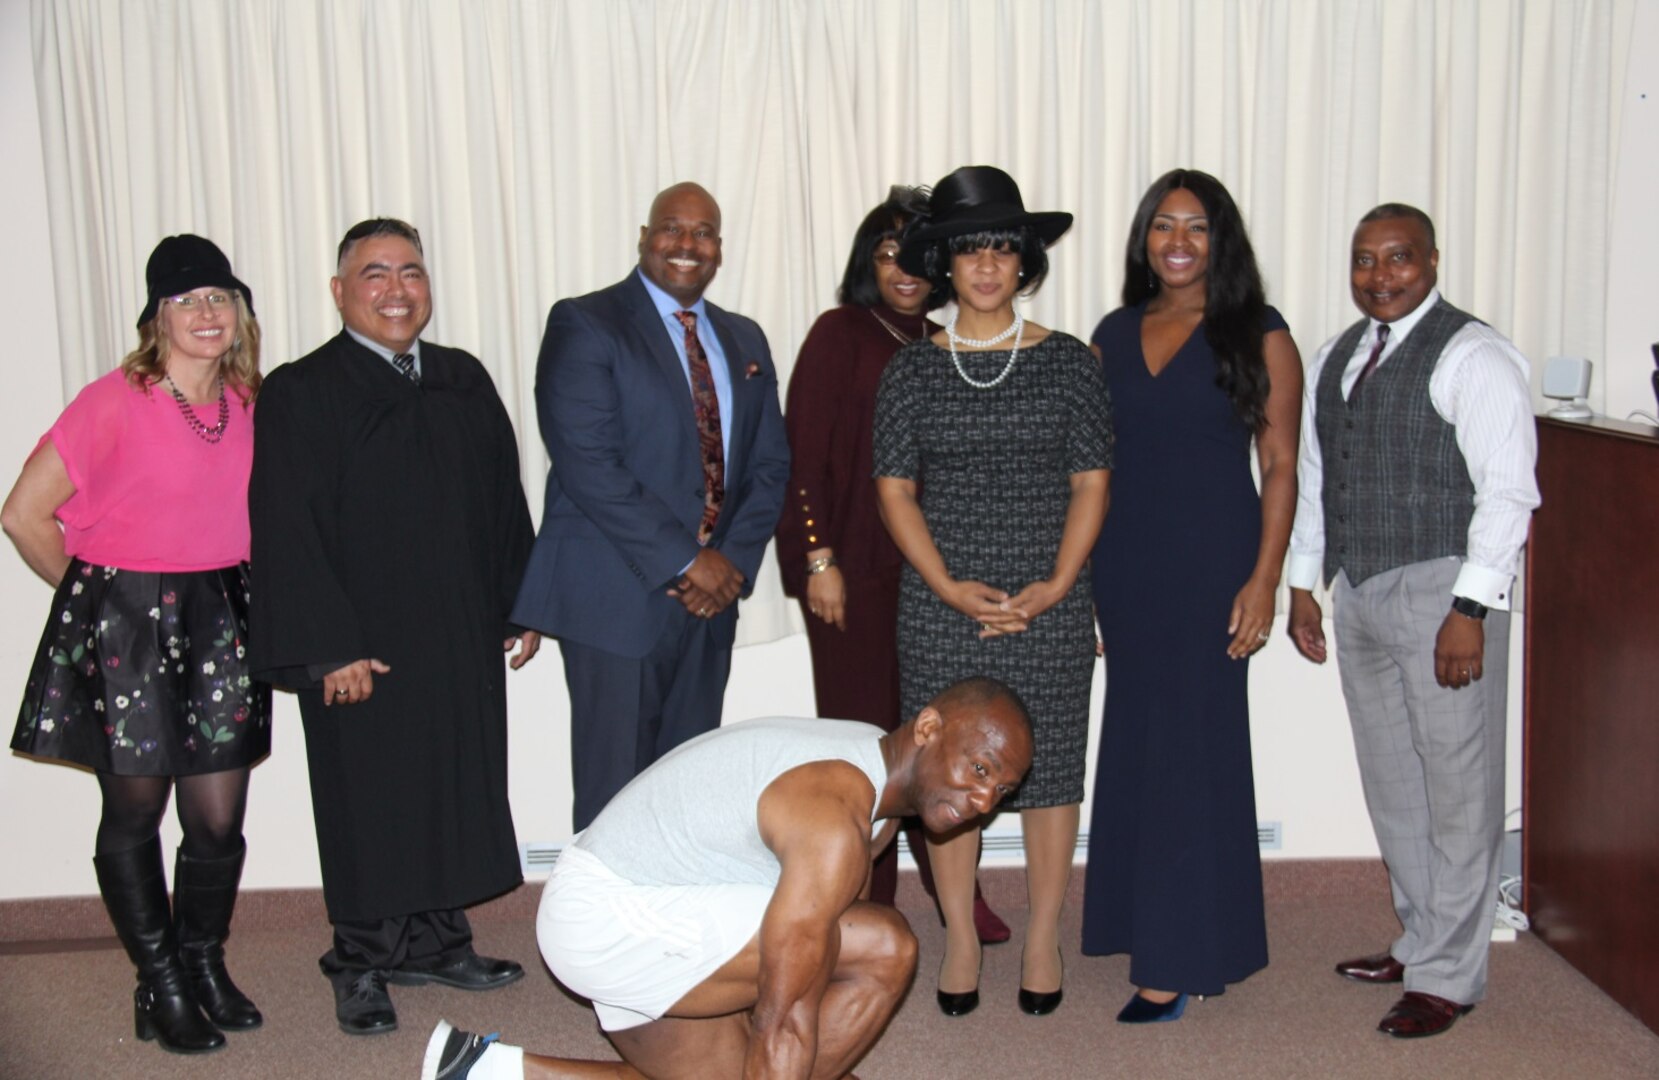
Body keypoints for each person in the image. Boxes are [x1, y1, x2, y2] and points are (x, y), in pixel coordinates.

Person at [419, 676, 1034, 1080]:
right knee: (886, 946)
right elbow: (786, 1014)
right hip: (611, 913)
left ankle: (480, 1070)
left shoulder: (872, 764)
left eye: (1001, 789)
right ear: (928, 729)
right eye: (979, 768)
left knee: (744, 1069)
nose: (984, 800)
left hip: (643, 907)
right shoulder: (836, 814)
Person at [247, 218, 539, 1036]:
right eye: (374, 274)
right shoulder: (304, 390)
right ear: (340, 293)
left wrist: (518, 600)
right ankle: (363, 957)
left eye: (411, 272)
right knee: (368, 798)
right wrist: (326, 645)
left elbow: (501, 497)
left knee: (452, 780)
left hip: (454, 632)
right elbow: (286, 524)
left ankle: (440, 941)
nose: (397, 289)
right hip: (360, 645)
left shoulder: (460, 377)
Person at [3, 235, 270, 1055]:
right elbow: (22, 514)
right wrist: (96, 608)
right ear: (156, 319)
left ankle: (200, 962)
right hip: (130, 615)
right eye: (186, 301)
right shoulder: (113, 399)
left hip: (221, 610)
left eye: (219, 298)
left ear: (239, 314)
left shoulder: (248, 400)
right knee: (137, 808)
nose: (206, 313)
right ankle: (157, 982)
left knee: (218, 819)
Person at [1286, 204, 1539, 1039]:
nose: (1379, 276)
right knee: (1393, 780)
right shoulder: (1335, 356)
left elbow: (1507, 493)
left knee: (1459, 791)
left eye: (1397, 258)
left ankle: (1450, 977)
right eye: (1364, 261)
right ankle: (1422, 938)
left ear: (1430, 259)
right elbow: (1318, 482)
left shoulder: (1474, 354)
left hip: (1443, 594)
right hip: (1358, 590)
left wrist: (1470, 609)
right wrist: (1301, 586)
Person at [874, 165, 1113, 1017]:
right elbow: (895, 490)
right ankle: (963, 938)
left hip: (1047, 602)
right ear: (945, 265)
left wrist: (1054, 586)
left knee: (1046, 771)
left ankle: (1043, 933)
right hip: (944, 607)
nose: (985, 267)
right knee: (948, 776)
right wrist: (943, 583)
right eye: (969, 251)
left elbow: (1090, 482)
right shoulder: (910, 372)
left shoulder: (1070, 364)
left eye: (1001, 251)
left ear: (1024, 263)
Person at [1081, 169, 1303, 1023]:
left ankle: (1178, 959)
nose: (1178, 240)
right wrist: (1084, 581)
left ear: (1221, 239)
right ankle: (1144, 923)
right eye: (1163, 225)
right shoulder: (1111, 329)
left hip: (1215, 563)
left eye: (1197, 226)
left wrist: (1263, 579)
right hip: (1128, 565)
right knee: (1138, 741)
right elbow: (1091, 464)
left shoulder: (1260, 333)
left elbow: (1280, 466)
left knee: (1193, 750)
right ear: (1143, 238)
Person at [511, 182, 790, 832]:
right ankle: (602, 932)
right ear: (643, 237)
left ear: (719, 248)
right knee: (615, 792)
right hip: (615, 599)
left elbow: (770, 466)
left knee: (686, 784)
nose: (687, 245)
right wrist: (688, 561)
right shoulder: (585, 322)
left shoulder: (743, 337)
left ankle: (672, 926)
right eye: (672, 228)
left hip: (709, 604)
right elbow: (588, 465)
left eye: (704, 233)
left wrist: (730, 566)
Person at [775, 185, 1010, 943]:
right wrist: (818, 559)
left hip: (932, 578)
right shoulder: (840, 333)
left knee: (941, 744)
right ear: (865, 261)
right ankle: (863, 900)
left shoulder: (944, 343)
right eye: (886, 251)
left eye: (918, 252)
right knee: (867, 749)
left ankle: (955, 892)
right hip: (857, 576)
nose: (904, 268)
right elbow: (801, 456)